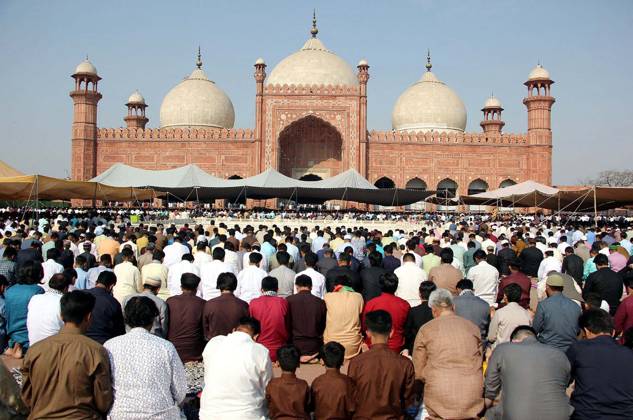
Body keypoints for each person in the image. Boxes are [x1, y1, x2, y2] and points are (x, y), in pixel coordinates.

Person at [21, 290, 113, 418]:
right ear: (88, 317)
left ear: (61, 316)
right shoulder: (95, 351)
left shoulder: (34, 351)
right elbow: (103, 402)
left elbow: (27, 398)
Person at [104, 296, 187, 420]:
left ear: (126, 318)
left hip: (121, 415)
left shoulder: (110, 346)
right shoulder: (166, 347)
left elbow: (105, 387)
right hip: (161, 415)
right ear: (153, 319)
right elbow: (180, 391)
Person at [413, 288, 484, 419]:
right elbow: (479, 360)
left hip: (439, 396)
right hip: (472, 395)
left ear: (433, 310)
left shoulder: (426, 329)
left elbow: (418, 370)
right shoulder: (472, 327)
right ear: (454, 307)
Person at [484, 326, 573, 420]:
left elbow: (490, 388)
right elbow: (564, 385)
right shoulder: (559, 354)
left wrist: (486, 406)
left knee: (491, 413)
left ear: (514, 341)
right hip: (561, 415)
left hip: (518, 416)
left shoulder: (503, 348)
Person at [200, 317, 272, 419]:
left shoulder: (214, 343)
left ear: (234, 330)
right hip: (247, 415)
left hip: (209, 414)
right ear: (256, 337)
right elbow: (267, 387)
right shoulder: (260, 351)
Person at [348, 310, 415, 419]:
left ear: (368, 333)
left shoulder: (357, 363)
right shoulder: (405, 364)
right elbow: (408, 401)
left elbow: (351, 398)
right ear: (391, 332)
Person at [566, 309, 633, 419]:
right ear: (612, 332)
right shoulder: (629, 354)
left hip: (587, 414)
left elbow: (563, 380)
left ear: (586, 331)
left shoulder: (579, 349)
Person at [4, 261, 44, 358]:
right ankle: (19, 346)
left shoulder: (10, 290)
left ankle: (14, 346)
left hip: (12, 334)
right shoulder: (38, 291)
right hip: (28, 337)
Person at [533, 273, 581, 351]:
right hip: (570, 349)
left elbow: (535, 329)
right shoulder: (575, 306)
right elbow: (578, 331)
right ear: (562, 288)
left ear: (547, 287)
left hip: (548, 348)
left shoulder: (543, 305)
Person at [362, 272, 410, 352]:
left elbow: (364, 326)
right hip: (396, 346)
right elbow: (407, 329)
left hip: (373, 346)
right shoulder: (404, 305)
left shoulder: (371, 304)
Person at [286, 274, 327, 362]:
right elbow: (323, 326)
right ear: (311, 287)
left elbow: (286, 325)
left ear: (296, 287)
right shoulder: (320, 302)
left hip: (294, 345)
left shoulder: (288, 300)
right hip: (314, 346)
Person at [166, 272, 206, 362]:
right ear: (196, 289)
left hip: (173, 351)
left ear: (181, 287)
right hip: (195, 354)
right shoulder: (202, 303)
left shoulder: (170, 301)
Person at [311, 341, 356, 420]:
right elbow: (352, 408)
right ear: (342, 361)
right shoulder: (349, 382)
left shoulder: (317, 382)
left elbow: (312, 407)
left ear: (322, 361)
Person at [323, 275, 364, 359]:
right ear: (350, 286)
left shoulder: (328, 297)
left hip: (331, 345)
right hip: (353, 346)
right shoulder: (358, 297)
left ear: (336, 286)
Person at [249, 276, 289, 362]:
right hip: (279, 351)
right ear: (277, 290)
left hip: (259, 351)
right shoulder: (282, 302)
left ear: (261, 290)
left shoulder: (253, 303)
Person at [265, 345, 310, 419]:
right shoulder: (303, 385)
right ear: (298, 364)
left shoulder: (272, 384)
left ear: (278, 363)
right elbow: (308, 407)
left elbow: (268, 404)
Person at [26, 272, 70, 345]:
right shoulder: (63, 302)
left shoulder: (35, 298)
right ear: (66, 288)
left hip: (33, 345)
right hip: (53, 348)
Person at [203, 272, 249, 340]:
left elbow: (205, 329)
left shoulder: (209, 304)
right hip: (236, 344)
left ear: (218, 286)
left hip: (215, 345)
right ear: (235, 286)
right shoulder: (243, 305)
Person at [85, 270, 126, 344]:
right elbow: (120, 331)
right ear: (111, 286)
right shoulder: (113, 303)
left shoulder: (80, 294)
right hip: (103, 343)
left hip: (81, 340)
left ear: (96, 282)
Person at [487, 283, 532, 348]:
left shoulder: (499, 313)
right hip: (521, 350)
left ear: (505, 296)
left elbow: (491, 337)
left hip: (502, 351)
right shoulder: (527, 314)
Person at [403, 281, 436, 355]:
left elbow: (407, 333)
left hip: (416, 348)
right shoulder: (437, 311)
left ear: (420, 294)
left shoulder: (413, 311)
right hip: (433, 348)